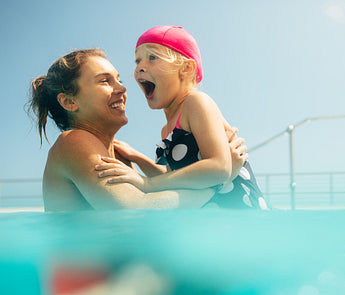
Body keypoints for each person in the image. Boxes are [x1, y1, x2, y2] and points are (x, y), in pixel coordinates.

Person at [28, 48, 247, 212]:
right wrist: (219, 182)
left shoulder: (120, 159)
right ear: (69, 101)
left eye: (119, 80)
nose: (122, 88)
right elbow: (138, 211)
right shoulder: (73, 141)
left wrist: (142, 162)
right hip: (85, 275)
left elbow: (162, 200)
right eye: (105, 81)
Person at [97, 26, 269, 209]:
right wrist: (138, 158)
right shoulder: (168, 129)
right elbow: (179, 177)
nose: (139, 67)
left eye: (152, 57)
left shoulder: (196, 103)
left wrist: (146, 184)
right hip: (213, 215)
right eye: (138, 60)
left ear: (186, 69)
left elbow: (219, 168)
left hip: (243, 212)